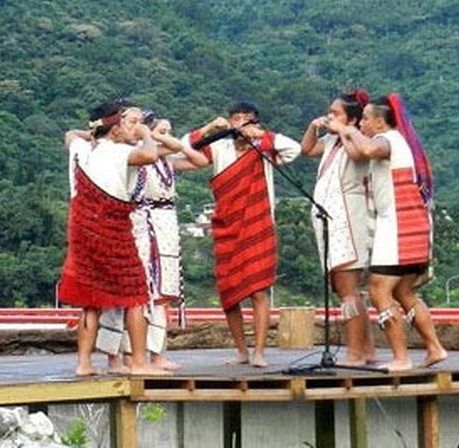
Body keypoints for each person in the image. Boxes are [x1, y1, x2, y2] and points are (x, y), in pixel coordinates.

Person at [187, 100, 301, 367]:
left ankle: (259, 351)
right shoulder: (220, 147)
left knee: (258, 290)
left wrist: (260, 135)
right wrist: (209, 128)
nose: (241, 123)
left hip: (257, 223)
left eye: (247, 119)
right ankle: (241, 351)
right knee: (229, 294)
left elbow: (294, 149)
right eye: (236, 119)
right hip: (226, 225)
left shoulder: (264, 147)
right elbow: (187, 150)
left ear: (255, 122)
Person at [340, 94, 448, 372]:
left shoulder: (387, 140)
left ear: (379, 122)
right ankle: (434, 347)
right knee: (403, 291)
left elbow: (366, 150)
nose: (361, 123)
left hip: (400, 228)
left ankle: (401, 357)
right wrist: (343, 132)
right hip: (413, 226)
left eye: (365, 118)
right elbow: (357, 151)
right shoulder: (396, 142)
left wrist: (346, 129)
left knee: (378, 289)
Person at [59, 100, 162, 377]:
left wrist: (93, 133)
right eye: (129, 124)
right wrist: (146, 134)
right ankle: (138, 362)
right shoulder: (119, 152)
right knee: (135, 294)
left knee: (90, 298)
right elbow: (150, 156)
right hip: (111, 228)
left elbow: (70, 134)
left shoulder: (81, 149)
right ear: (114, 130)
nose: (135, 128)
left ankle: (83, 363)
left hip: (81, 229)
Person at [300, 90, 377, 367]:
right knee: (342, 287)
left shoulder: (359, 139)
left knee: (348, 288)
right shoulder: (332, 140)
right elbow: (307, 149)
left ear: (353, 119)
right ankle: (366, 349)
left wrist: (344, 130)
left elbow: (358, 155)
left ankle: (355, 351)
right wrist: (314, 127)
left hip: (347, 217)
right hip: (329, 218)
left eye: (336, 113)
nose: (329, 116)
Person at [134, 111, 208, 370]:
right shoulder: (140, 153)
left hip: (167, 221)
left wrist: (168, 140)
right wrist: (153, 137)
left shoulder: (167, 158)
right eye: (162, 131)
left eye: (169, 132)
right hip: (146, 219)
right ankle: (140, 354)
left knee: (164, 290)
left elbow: (200, 161)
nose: (167, 136)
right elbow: (167, 148)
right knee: (148, 288)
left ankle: (158, 353)